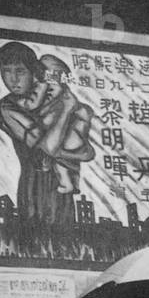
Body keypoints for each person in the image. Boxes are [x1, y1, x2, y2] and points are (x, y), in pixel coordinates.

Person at [0, 42, 87, 225]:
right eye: (6, 71)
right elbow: (46, 148)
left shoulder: (51, 96)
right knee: (36, 238)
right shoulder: (7, 107)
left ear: (33, 72)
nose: (13, 79)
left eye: (20, 71)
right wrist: (65, 111)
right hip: (33, 187)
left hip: (61, 189)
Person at [38, 53, 94, 195]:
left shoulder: (65, 101)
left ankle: (68, 183)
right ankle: (69, 183)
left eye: (53, 85)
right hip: (67, 148)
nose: (48, 89)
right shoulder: (49, 103)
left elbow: (85, 113)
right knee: (63, 167)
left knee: (62, 167)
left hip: (71, 145)